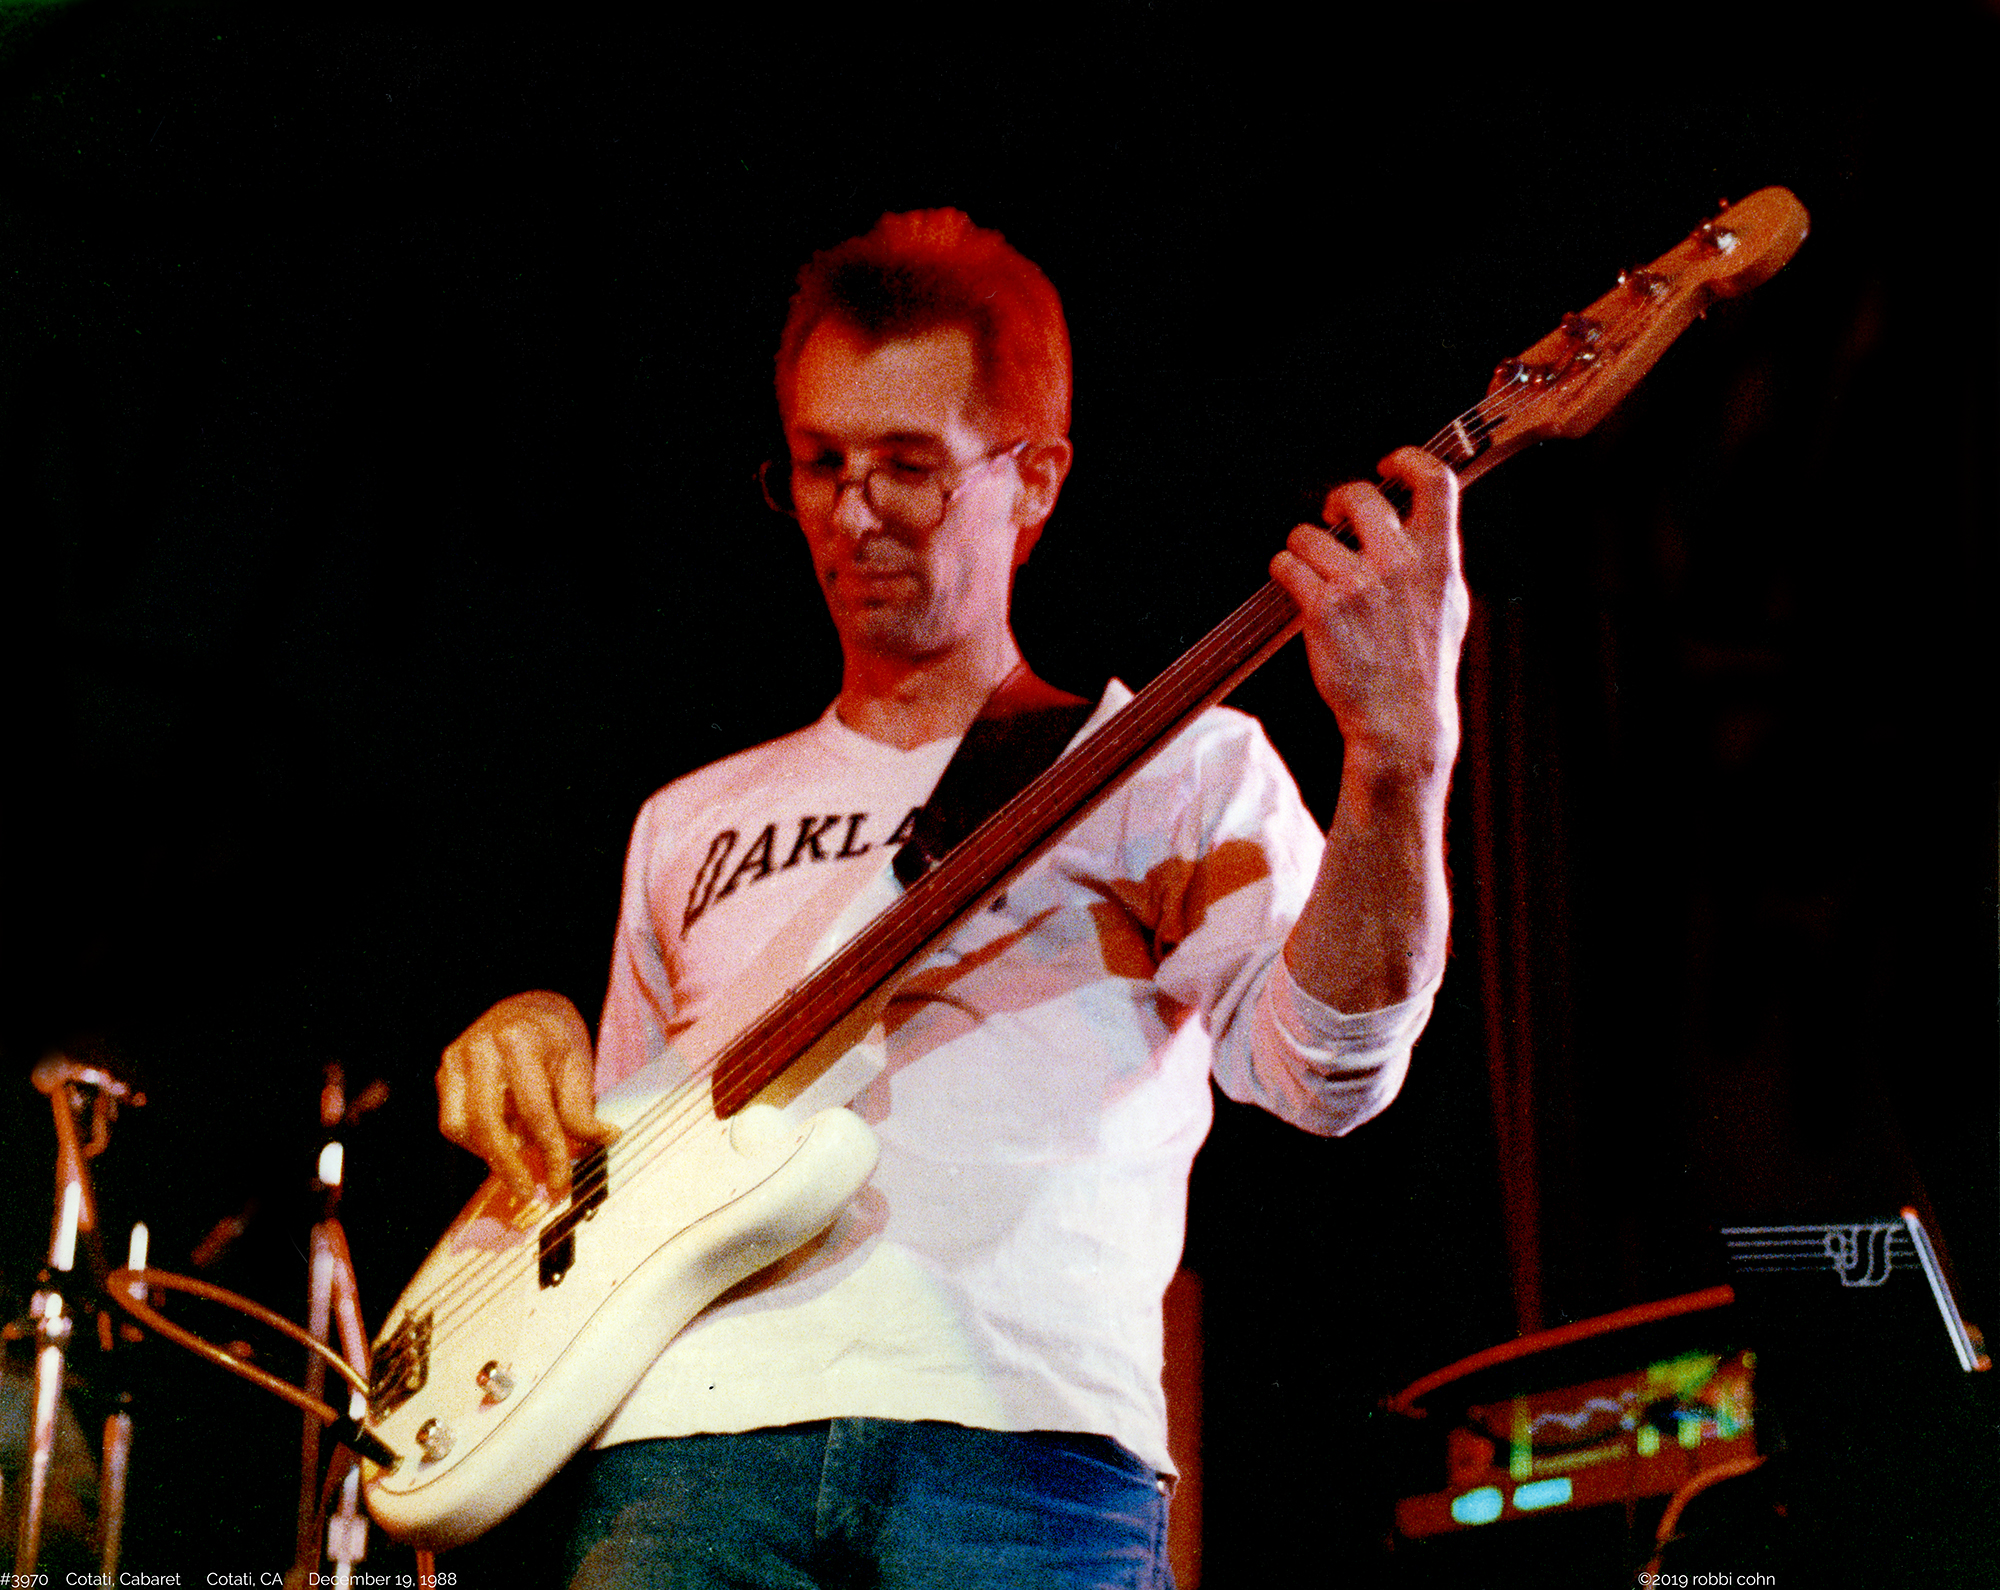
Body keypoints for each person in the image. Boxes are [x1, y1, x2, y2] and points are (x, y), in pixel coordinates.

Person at [435, 208, 1467, 1589]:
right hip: (683, 1463)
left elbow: (1328, 1069)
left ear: (1034, 480)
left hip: (1018, 1458)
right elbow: (615, 1191)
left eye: (908, 467)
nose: (852, 512)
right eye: (820, 463)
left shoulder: (1173, 762)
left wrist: (1400, 759)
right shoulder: (685, 821)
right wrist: (533, 1030)